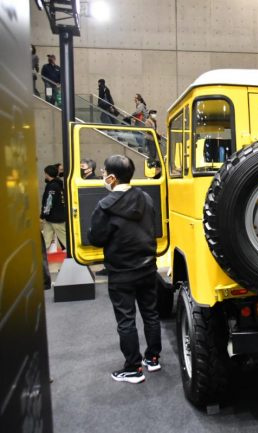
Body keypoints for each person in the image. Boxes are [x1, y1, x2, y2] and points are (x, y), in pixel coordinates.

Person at [87, 155, 161, 383]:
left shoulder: (105, 206)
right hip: (148, 267)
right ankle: (153, 359)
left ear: (112, 178)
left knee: (126, 320)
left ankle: (133, 368)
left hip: (121, 272)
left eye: (103, 172)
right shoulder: (146, 198)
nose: (101, 176)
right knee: (151, 314)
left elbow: (96, 238)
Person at [40, 165, 67, 251]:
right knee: (46, 239)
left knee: (65, 240)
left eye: (45, 173)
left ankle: (74, 255)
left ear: (47, 174)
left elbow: (49, 202)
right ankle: (41, 255)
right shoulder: (59, 185)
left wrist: (43, 215)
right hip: (53, 217)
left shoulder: (52, 186)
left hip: (55, 217)